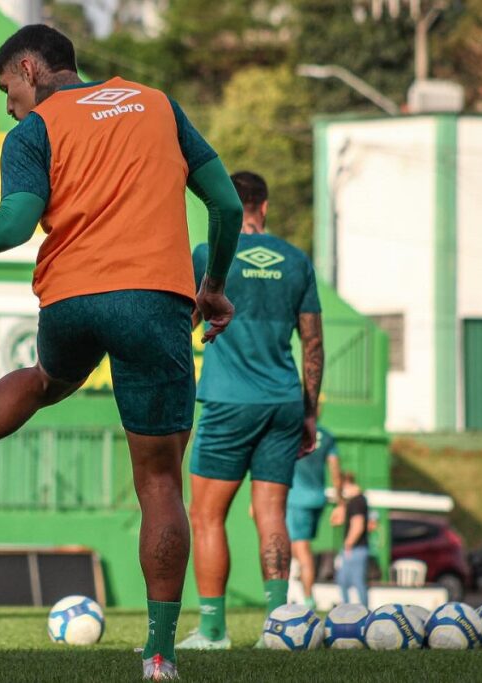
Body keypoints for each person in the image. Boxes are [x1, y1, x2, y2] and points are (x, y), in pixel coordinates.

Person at [0, 25, 243, 680]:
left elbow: (16, 224)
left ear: (30, 67)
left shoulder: (32, 133)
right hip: (155, 300)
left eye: (7, 90)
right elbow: (223, 201)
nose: (9, 105)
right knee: (159, 483)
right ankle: (159, 656)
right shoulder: (157, 103)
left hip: (71, 300)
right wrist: (212, 284)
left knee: (46, 377)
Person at [176, 171, 324, 650]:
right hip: (283, 402)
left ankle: (215, 631)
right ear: (265, 206)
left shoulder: (208, 255)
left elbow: (186, 322)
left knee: (205, 516)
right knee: (271, 513)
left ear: (229, 204)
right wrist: (309, 413)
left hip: (227, 402)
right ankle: (278, 628)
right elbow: (314, 344)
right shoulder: (298, 260)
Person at [286, 402, 342, 610]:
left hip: (297, 498)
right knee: (297, 547)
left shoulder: (294, 432)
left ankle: (309, 599)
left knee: (301, 550)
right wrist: (340, 502)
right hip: (318, 498)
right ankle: (300, 585)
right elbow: (335, 469)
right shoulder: (327, 436)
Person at [335, 472, 369, 607]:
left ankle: (355, 610)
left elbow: (358, 525)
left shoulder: (356, 502)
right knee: (344, 580)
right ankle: (350, 608)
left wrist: (348, 544)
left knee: (355, 581)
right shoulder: (360, 500)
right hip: (357, 548)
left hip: (355, 548)